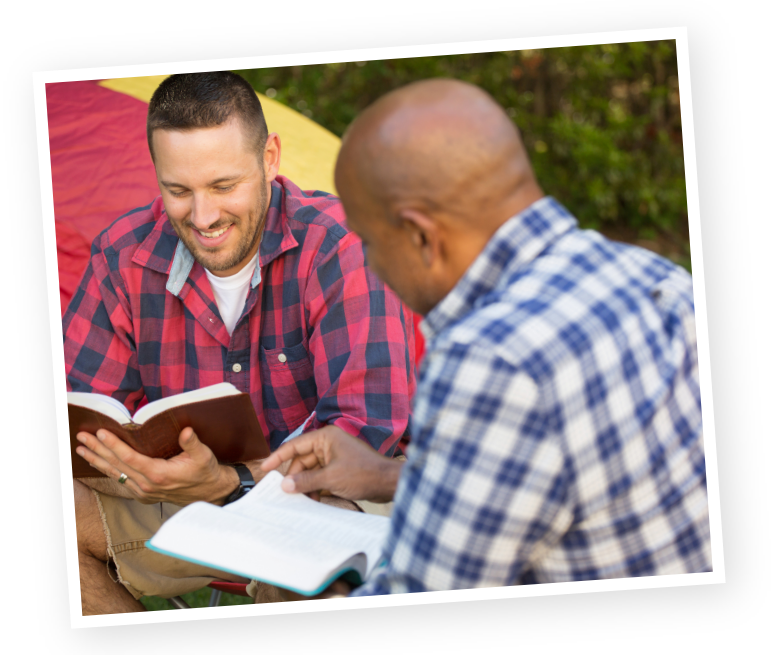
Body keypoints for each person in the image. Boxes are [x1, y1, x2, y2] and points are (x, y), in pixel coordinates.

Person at [262, 78, 711, 595]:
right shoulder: (658, 277)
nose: (369, 263)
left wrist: (318, 588)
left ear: (420, 236)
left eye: (369, 241)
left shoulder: (489, 360)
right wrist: (385, 475)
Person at [65, 72, 416, 614]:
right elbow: (83, 420)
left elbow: (363, 436)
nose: (202, 217)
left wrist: (231, 482)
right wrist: (133, 470)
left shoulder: (343, 246)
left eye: (224, 186)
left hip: (323, 498)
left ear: (270, 158)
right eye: (178, 191)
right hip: (172, 498)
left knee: (311, 557)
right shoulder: (121, 254)